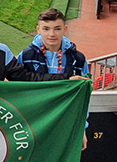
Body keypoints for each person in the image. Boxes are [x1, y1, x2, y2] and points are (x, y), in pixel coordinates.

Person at [17, 8, 89, 150]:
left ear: (65, 29)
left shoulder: (78, 59)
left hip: (66, 121)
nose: (51, 34)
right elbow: (18, 91)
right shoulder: (26, 56)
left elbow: (84, 97)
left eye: (57, 29)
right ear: (38, 30)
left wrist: (82, 128)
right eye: (46, 29)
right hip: (35, 123)